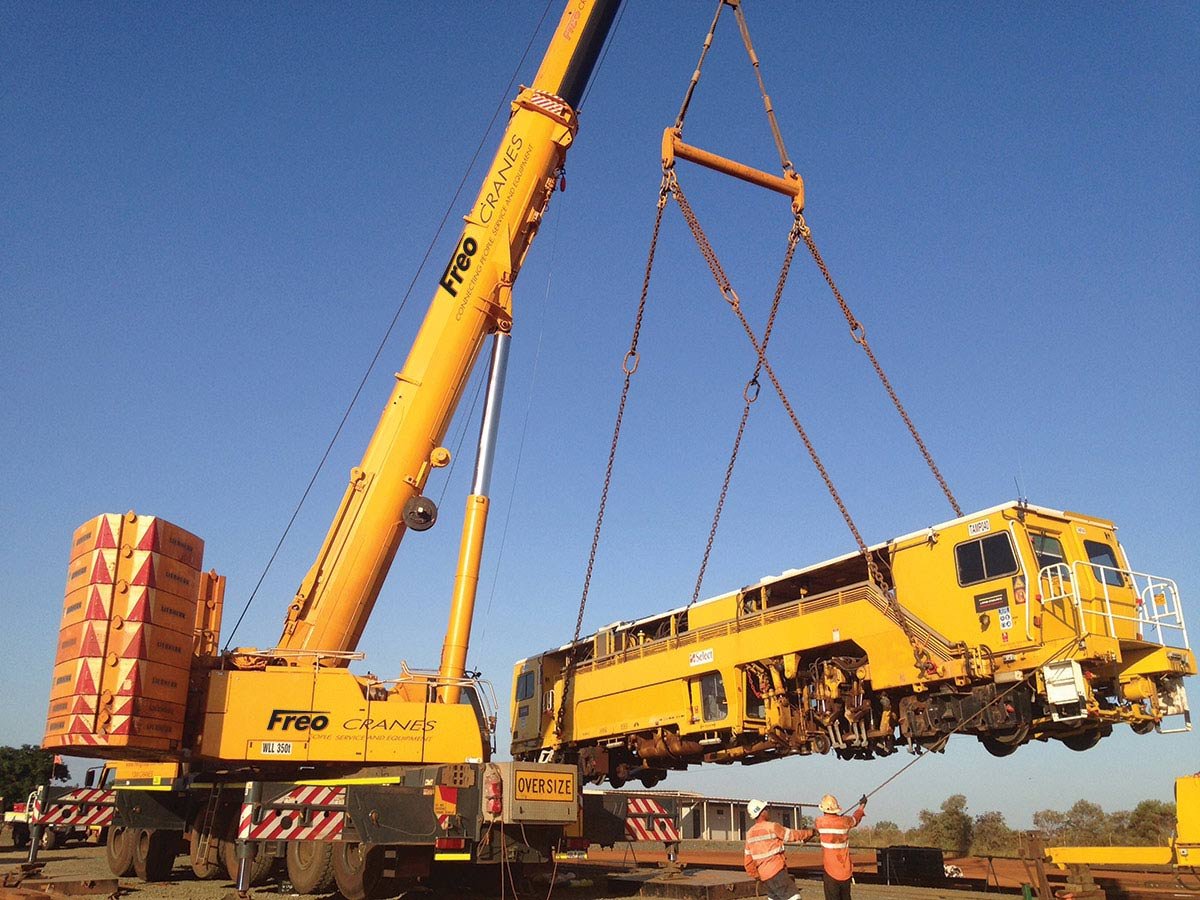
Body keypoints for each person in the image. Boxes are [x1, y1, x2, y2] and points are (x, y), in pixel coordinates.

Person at [743, 798, 815, 900]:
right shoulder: (772, 827)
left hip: (765, 877)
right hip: (777, 873)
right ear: (762, 812)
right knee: (794, 897)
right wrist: (810, 833)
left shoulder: (749, 834)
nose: (767, 811)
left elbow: (748, 861)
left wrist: (756, 875)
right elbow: (792, 835)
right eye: (766, 809)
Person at [814, 793, 867, 900]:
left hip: (830, 872)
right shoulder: (845, 821)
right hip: (845, 871)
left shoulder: (819, 822)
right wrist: (862, 806)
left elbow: (815, 830)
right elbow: (856, 819)